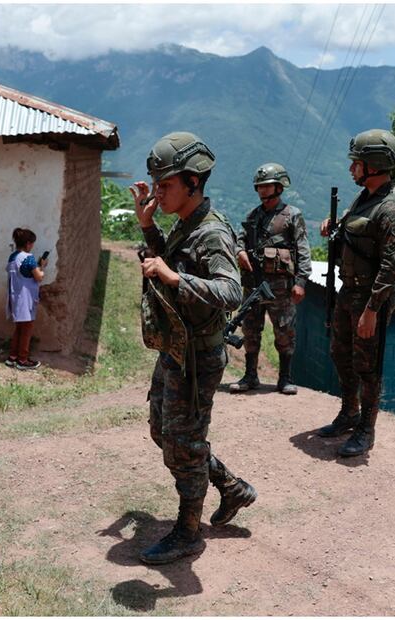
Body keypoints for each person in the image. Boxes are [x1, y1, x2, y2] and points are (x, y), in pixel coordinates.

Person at [129, 131, 257, 565]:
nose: (158, 192)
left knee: (183, 442)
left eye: (165, 185)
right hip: (176, 348)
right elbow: (169, 259)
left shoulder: (213, 233)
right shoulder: (185, 222)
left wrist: (173, 277)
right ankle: (232, 488)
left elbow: (230, 291)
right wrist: (148, 228)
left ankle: (188, 531)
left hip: (198, 358)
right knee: (165, 432)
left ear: (193, 182)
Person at [317, 129, 395, 457]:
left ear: (374, 165)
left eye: (356, 163)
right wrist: (334, 223)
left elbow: (391, 267)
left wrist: (372, 310)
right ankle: (348, 412)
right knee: (341, 355)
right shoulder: (366, 198)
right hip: (348, 293)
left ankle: (366, 429)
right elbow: (354, 225)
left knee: (368, 366)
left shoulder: (391, 209)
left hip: (370, 300)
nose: (352, 168)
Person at [229, 162, 311, 395]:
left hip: (281, 289)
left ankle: (285, 378)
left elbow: (303, 249)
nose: (261, 191)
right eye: (259, 187)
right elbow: (240, 240)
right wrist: (240, 251)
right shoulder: (252, 216)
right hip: (254, 286)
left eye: (266, 186)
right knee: (250, 330)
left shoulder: (292, 216)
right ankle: (250, 376)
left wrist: (301, 282)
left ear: (279, 186)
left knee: (284, 333)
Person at [5, 227, 47, 370]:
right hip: (26, 298)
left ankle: (13, 357)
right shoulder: (28, 258)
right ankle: (23, 360)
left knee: (19, 328)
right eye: (32, 243)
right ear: (28, 243)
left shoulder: (13, 257)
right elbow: (39, 277)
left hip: (15, 297)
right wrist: (42, 266)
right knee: (27, 329)